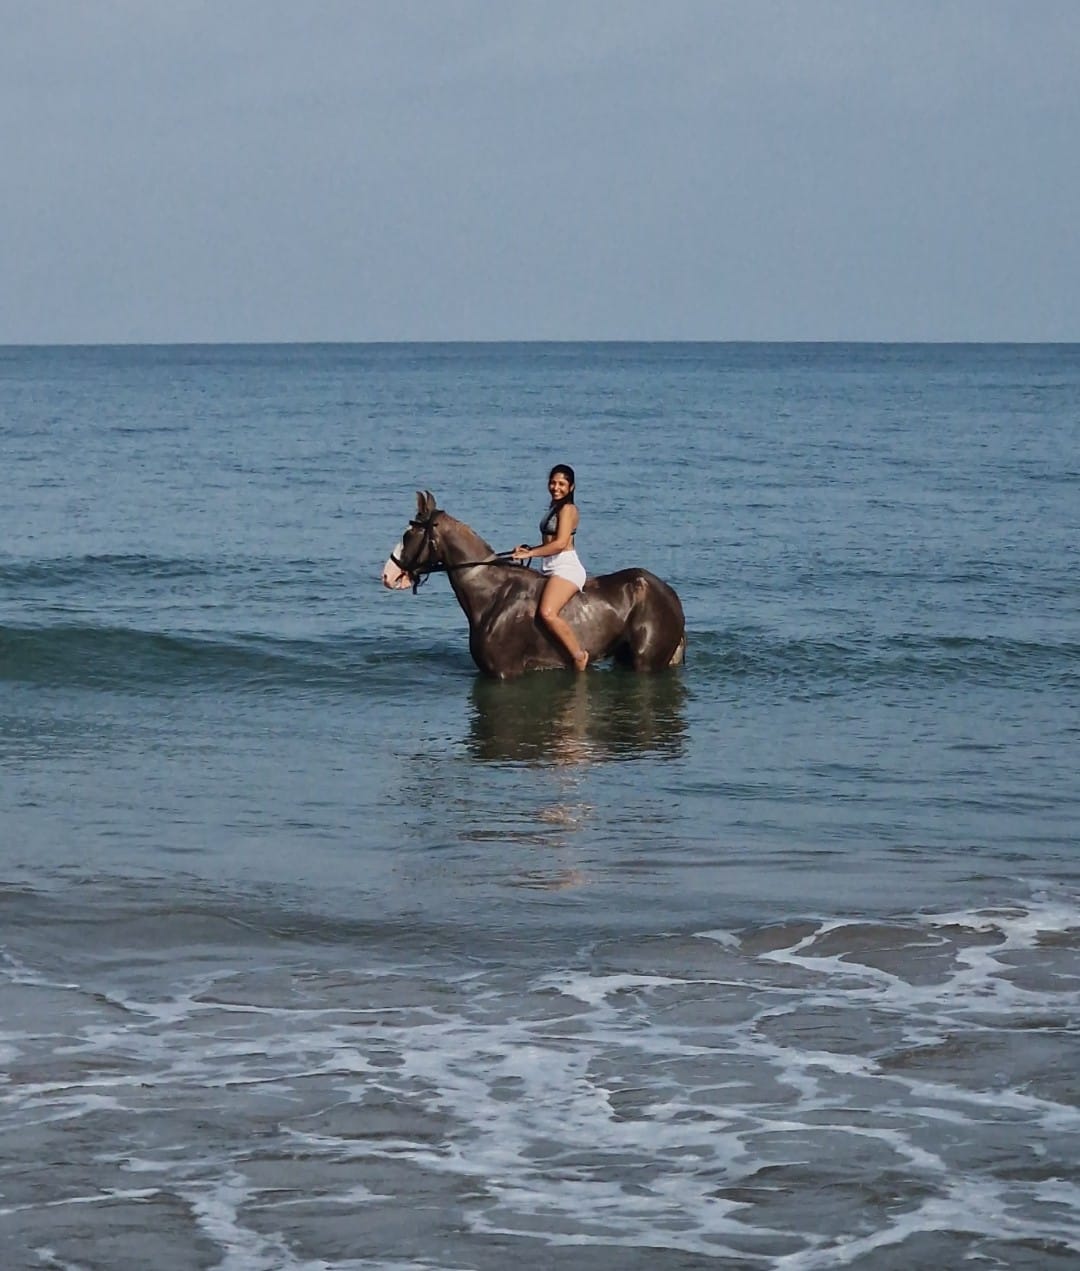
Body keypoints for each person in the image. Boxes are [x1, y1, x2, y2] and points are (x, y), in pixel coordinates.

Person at [512, 464, 589, 671]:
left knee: (547, 613)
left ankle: (579, 655)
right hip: (550, 567)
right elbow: (549, 542)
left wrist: (531, 554)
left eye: (562, 484)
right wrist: (528, 548)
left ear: (571, 487)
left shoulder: (568, 509)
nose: (556, 487)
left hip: (566, 568)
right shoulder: (553, 508)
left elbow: (561, 543)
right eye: (553, 483)